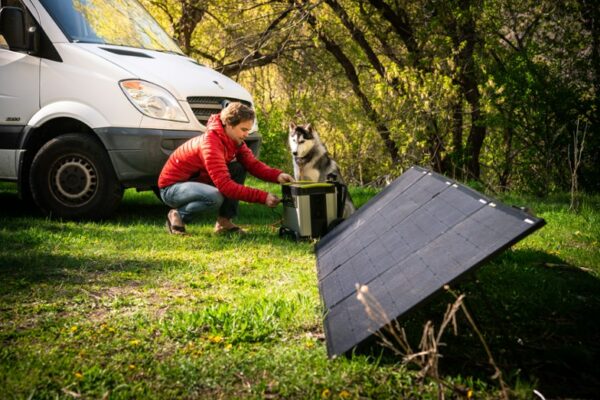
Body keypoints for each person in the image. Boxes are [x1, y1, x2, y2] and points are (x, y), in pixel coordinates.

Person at [158, 102, 294, 235]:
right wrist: (263, 197)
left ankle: (224, 222)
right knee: (214, 197)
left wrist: (277, 176)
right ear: (229, 124)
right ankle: (178, 216)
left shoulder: (235, 140)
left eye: (248, 130)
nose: (247, 134)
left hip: (198, 181)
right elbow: (226, 186)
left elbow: (252, 164)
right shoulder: (210, 144)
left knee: (239, 167)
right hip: (172, 188)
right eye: (244, 129)